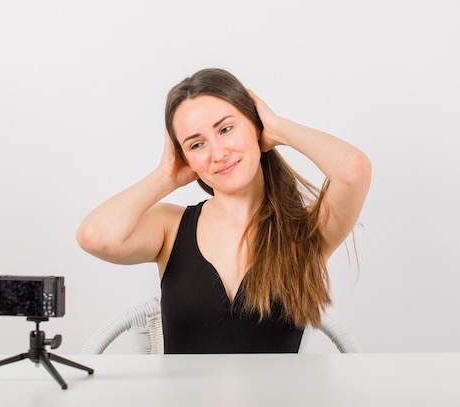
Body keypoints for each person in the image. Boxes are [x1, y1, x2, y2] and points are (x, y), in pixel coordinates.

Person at [76, 68, 371, 354]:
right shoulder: (170, 227)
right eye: (196, 144)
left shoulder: (306, 230)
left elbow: (353, 169)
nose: (218, 154)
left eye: (226, 129)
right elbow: (94, 236)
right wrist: (165, 175)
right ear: (184, 157)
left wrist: (278, 129)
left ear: (256, 126)